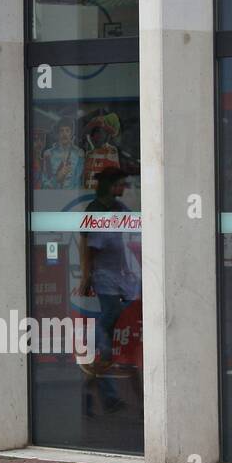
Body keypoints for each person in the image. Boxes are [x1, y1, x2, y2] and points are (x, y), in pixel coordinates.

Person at [77, 167, 140, 416]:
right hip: (106, 277)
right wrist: (86, 276)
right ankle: (100, 348)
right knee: (112, 317)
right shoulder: (94, 211)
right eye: (120, 184)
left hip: (123, 277)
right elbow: (88, 245)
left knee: (116, 327)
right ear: (110, 185)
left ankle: (99, 381)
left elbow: (133, 229)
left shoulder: (119, 209)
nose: (124, 188)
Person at [40, 118, 85, 189]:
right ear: (58, 134)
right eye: (61, 131)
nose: (64, 134)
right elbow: (44, 183)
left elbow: (80, 182)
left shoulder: (79, 154)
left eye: (67, 130)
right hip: (54, 197)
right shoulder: (49, 154)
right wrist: (57, 178)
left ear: (72, 133)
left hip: (73, 198)